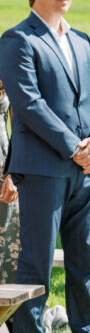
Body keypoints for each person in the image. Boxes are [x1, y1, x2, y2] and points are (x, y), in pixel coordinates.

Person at [0, 0, 90, 333]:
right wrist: (73, 147)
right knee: (37, 258)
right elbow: (29, 105)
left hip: (87, 169)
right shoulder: (17, 40)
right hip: (44, 168)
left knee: (85, 254)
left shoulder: (82, 40)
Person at [0, 79, 21, 284]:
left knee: (7, 248)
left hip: (2, 168)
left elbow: (19, 126)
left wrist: (13, 172)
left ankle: (11, 314)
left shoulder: (6, 57)